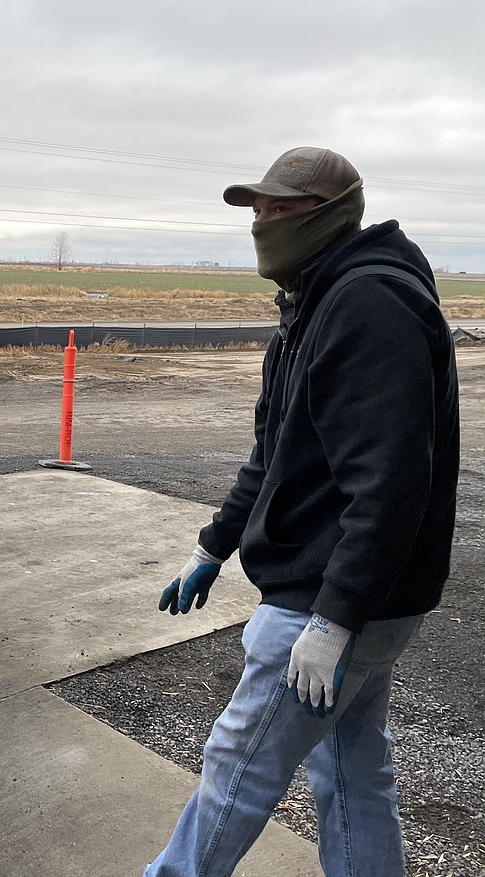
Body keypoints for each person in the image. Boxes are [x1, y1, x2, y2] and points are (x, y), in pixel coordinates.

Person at [146, 147, 460, 877]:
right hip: (353, 596)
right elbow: (274, 451)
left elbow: (389, 482)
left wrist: (335, 616)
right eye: (256, 210)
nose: (262, 223)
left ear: (328, 216)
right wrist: (212, 545)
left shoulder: (367, 304)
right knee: (351, 769)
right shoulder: (314, 302)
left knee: (239, 764)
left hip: (333, 599)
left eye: (280, 210)